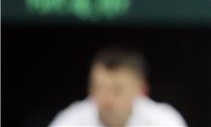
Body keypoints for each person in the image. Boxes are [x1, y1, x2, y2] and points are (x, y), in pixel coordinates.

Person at [49, 46, 186, 127]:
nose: (106, 98)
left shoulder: (164, 121)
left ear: (141, 90)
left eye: (117, 90)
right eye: (99, 88)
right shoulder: (71, 121)